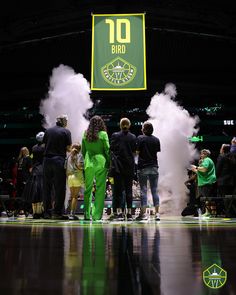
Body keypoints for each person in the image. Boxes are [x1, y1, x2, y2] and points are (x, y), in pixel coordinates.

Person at [43, 114, 72, 220]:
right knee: (60, 187)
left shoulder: (48, 131)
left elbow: (45, 144)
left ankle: (47, 212)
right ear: (64, 121)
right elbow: (68, 148)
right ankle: (57, 212)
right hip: (58, 160)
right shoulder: (66, 132)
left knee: (47, 187)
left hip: (46, 161)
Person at [82, 115, 110, 221]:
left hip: (88, 163)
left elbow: (83, 150)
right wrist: (109, 162)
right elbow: (107, 149)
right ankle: (96, 215)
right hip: (101, 163)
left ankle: (86, 214)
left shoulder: (85, 134)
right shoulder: (103, 134)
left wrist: (86, 160)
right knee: (100, 189)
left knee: (87, 189)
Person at [110, 117, 136, 221]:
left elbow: (111, 149)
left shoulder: (115, 136)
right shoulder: (133, 137)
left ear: (120, 125)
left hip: (118, 167)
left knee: (119, 191)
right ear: (129, 125)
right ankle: (129, 214)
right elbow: (134, 152)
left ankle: (119, 214)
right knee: (129, 190)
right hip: (129, 166)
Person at [136, 121, 161, 221]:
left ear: (144, 129)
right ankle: (157, 213)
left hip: (143, 167)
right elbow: (156, 152)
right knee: (154, 190)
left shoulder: (140, 138)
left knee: (143, 190)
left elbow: (137, 152)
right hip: (154, 167)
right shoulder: (156, 139)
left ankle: (143, 214)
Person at [22, 131, 45, 218]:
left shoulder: (34, 147)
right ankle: (40, 212)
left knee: (34, 192)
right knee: (41, 192)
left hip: (34, 170)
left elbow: (33, 159)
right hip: (42, 170)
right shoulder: (45, 147)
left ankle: (35, 212)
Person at [191, 149, 216, 217]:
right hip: (206, 180)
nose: (201, 155)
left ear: (205, 154)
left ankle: (208, 213)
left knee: (206, 198)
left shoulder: (207, 160)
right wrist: (195, 170)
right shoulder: (207, 160)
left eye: (202, 154)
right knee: (209, 198)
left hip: (206, 181)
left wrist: (196, 167)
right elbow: (202, 172)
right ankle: (213, 212)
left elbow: (204, 169)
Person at [66, 143, 84, 220]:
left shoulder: (68, 156)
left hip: (69, 177)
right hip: (76, 177)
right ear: (79, 149)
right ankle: (72, 214)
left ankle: (71, 212)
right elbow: (80, 166)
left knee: (72, 196)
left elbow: (65, 168)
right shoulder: (80, 156)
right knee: (75, 197)